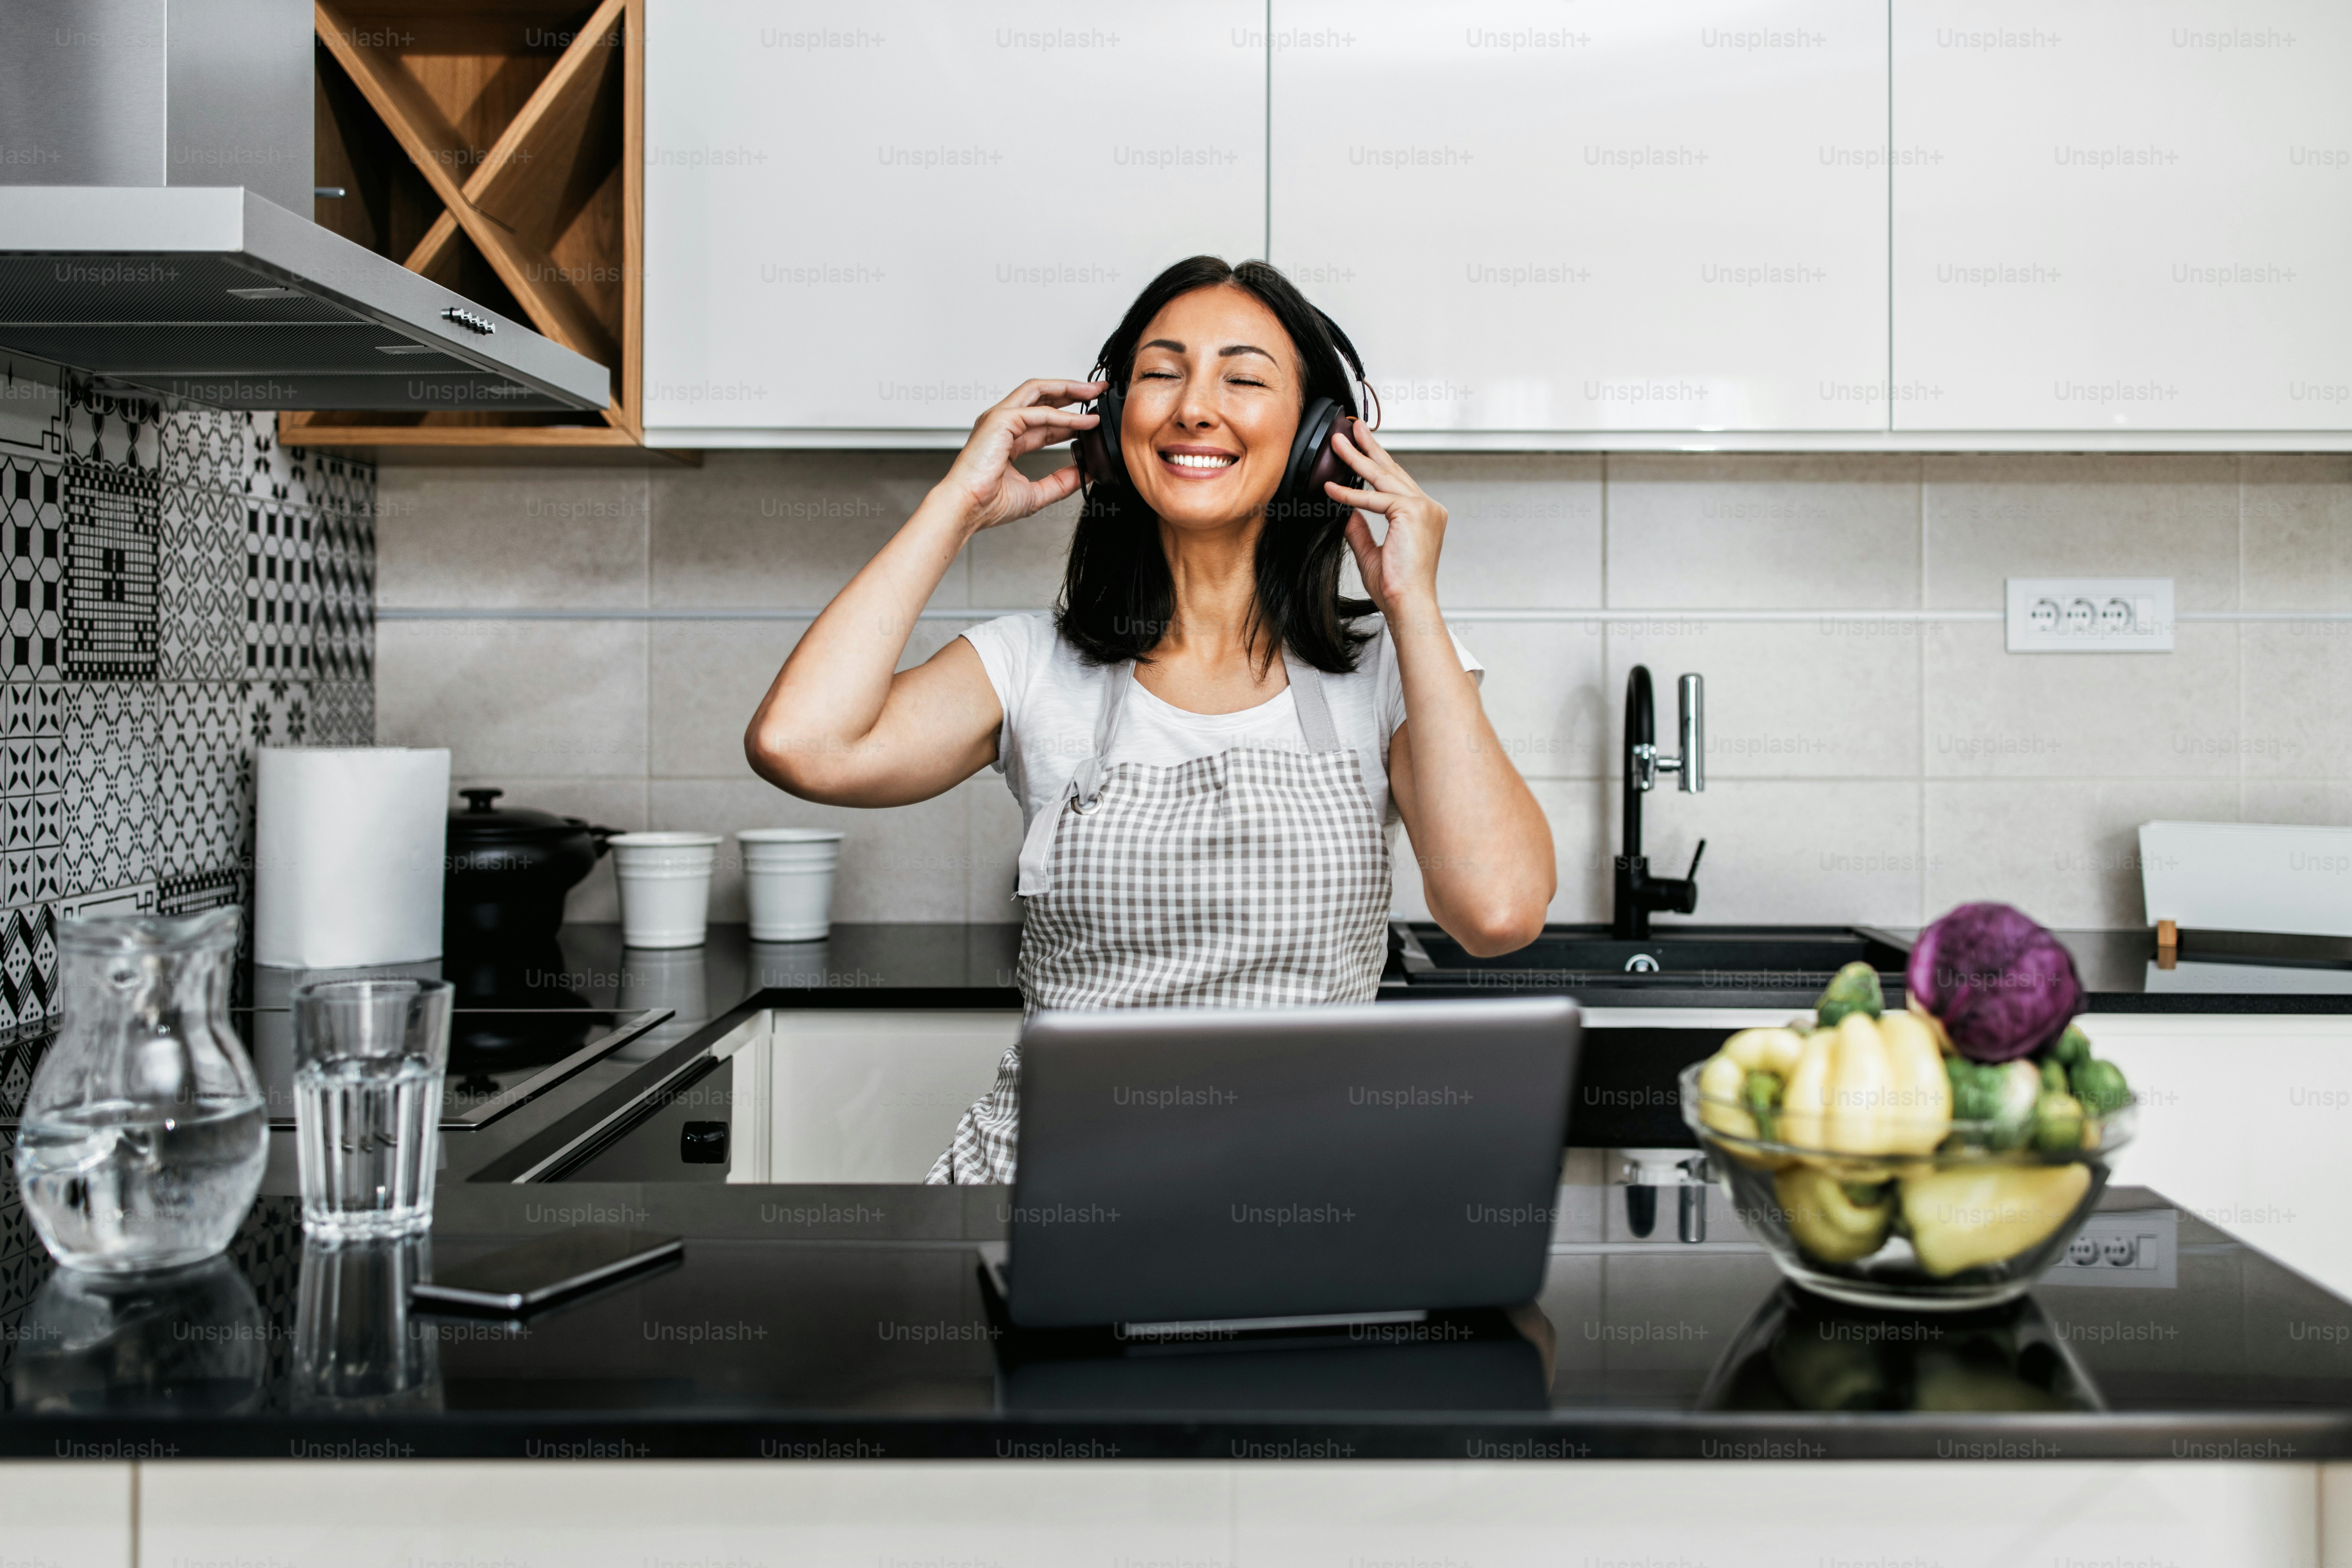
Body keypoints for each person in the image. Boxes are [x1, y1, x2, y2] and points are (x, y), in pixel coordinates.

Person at [744, 256, 1555, 1183]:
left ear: (1320, 441)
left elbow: (1499, 911)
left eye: (1244, 379)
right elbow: (798, 745)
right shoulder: (1030, 665)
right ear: (1107, 421)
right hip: (1050, 1203)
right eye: (1162, 374)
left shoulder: (1392, 671)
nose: (1194, 408)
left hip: (1300, 1214)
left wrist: (1413, 603)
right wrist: (957, 505)